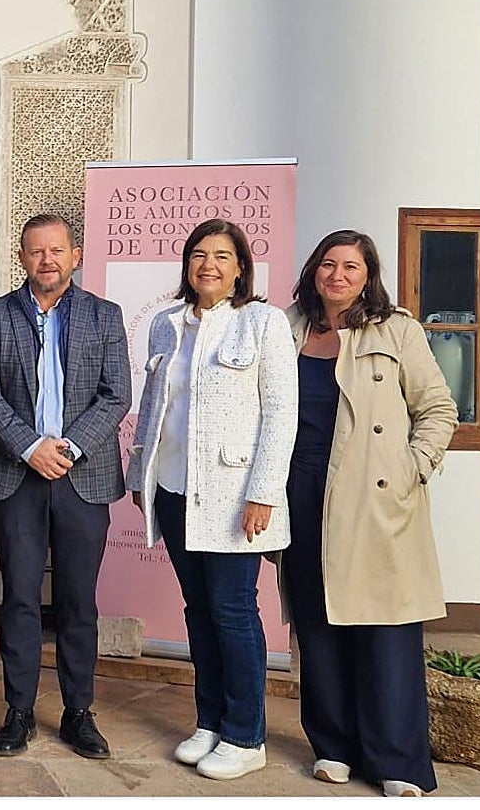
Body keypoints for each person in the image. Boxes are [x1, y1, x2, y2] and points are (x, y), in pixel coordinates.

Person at [282, 230, 457, 797]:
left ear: (368, 275)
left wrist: (412, 468)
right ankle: (334, 747)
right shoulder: (286, 327)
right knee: (317, 621)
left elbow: (438, 407)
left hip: (373, 492)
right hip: (300, 488)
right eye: (328, 264)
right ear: (313, 270)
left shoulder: (396, 329)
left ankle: (397, 760)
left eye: (351, 267)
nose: (337, 275)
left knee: (385, 629)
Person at [125, 218, 297, 781]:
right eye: (199, 254)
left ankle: (246, 735)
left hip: (233, 496)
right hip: (175, 491)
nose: (209, 265)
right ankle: (210, 722)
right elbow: (154, 408)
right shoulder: (166, 323)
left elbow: (281, 415)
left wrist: (263, 492)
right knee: (198, 609)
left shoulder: (263, 323)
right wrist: (141, 479)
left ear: (240, 267)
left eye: (222, 256)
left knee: (233, 611)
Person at [0, 213, 130, 759]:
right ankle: (18, 711)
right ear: (22, 258)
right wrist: (30, 446)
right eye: (36, 251)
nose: (47, 260)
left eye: (57, 250)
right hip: (16, 473)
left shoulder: (104, 316)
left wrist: (69, 447)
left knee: (78, 601)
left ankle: (78, 711)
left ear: (75, 256)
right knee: (19, 597)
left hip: (84, 475)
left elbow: (116, 393)